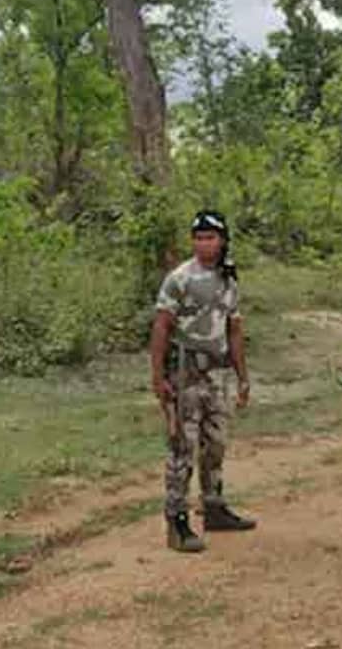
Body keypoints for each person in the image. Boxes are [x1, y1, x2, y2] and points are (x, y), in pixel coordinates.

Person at [149, 210, 255, 553]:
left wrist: (243, 376)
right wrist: (158, 377)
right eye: (198, 238)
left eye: (210, 237)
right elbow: (162, 326)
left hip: (218, 372)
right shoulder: (180, 278)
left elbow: (234, 329)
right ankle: (177, 521)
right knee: (183, 447)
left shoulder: (228, 279)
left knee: (216, 443)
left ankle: (214, 508)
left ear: (222, 240)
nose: (203, 244)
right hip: (186, 373)